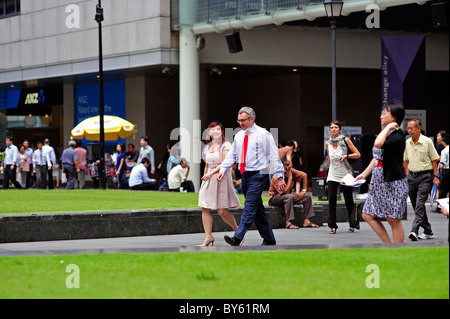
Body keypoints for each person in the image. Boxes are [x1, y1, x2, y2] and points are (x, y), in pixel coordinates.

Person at [218, 106, 286, 246]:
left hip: (260, 174)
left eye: (243, 120)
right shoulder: (239, 136)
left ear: (251, 119)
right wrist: (223, 170)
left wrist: (280, 177)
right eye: (239, 121)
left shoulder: (263, 134)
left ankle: (238, 237)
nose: (241, 123)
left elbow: (273, 156)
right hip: (245, 175)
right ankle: (269, 239)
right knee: (257, 209)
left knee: (249, 205)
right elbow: (232, 155)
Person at [355, 102, 408, 243]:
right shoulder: (387, 133)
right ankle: (387, 244)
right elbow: (377, 157)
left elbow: (377, 144)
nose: (381, 117)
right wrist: (364, 174)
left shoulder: (397, 135)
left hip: (393, 181)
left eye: (385, 114)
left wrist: (390, 127)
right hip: (378, 180)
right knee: (367, 214)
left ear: (394, 117)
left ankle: (397, 250)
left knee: (393, 219)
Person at [197, 121, 240, 247]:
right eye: (212, 130)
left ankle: (238, 232)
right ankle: (208, 236)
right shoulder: (207, 147)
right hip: (208, 178)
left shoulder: (226, 145)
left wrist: (211, 174)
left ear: (221, 132)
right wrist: (205, 176)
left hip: (220, 177)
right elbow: (206, 164)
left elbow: (224, 163)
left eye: (218, 129)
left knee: (222, 210)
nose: (215, 132)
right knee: (205, 207)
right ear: (208, 132)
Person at [404, 119, 440, 241]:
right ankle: (428, 230)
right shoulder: (407, 142)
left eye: (411, 128)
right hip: (411, 177)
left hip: (425, 176)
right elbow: (406, 160)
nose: (409, 130)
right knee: (416, 204)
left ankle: (414, 230)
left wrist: (435, 176)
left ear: (418, 128)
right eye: (408, 128)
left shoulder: (427, 141)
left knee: (420, 203)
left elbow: (434, 159)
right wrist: (407, 174)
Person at [325, 121, 361, 234]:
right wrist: (330, 169)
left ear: (340, 129)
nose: (334, 129)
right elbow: (329, 159)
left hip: (345, 174)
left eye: (336, 127)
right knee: (331, 199)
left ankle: (352, 224)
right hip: (333, 174)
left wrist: (347, 156)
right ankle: (332, 226)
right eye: (332, 128)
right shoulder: (328, 143)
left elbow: (358, 154)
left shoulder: (346, 140)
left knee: (348, 199)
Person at [269, 160, 319, 229]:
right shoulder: (276, 177)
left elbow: (304, 175)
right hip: (275, 198)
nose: (288, 167)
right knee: (289, 197)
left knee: (306, 197)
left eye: (289, 165)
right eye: (286, 166)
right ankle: (288, 222)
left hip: (287, 196)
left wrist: (304, 190)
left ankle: (306, 221)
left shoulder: (290, 171)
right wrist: (290, 178)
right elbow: (285, 193)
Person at [438, 134, 449, 200]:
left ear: (444, 142)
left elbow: (442, 163)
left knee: (443, 190)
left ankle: (440, 206)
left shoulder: (444, 151)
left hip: (447, 171)